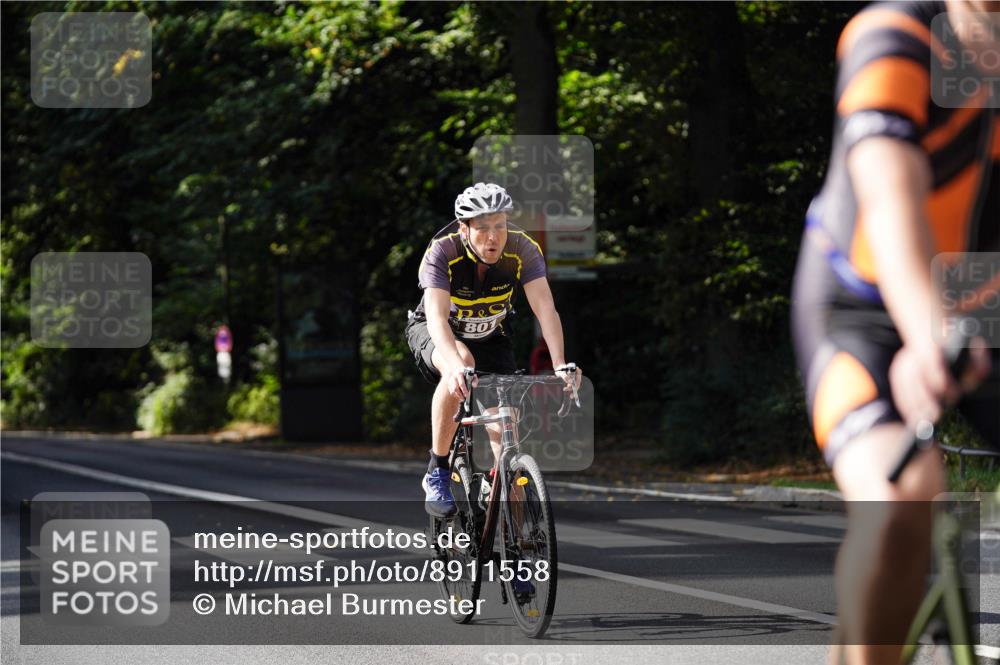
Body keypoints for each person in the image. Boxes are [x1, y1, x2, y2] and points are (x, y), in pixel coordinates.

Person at [791, 2, 998, 663]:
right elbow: (888, 199)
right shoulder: (895, 34)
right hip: (865, 309)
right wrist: (928, 328)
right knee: (901, 498)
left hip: (983, 303)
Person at [406, 182, 581, 520]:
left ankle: (516, 558)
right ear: (464, 228)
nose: (493, 237)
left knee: (505, 437)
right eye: (483, 228)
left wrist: (560, 364)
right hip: (436, 332)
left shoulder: (522, 250)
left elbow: (546, 309)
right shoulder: (443, 252)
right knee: (461, 363)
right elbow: (438, 319)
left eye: (499, 226)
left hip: (492, 336)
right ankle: (438, 470)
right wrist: (456, 366)